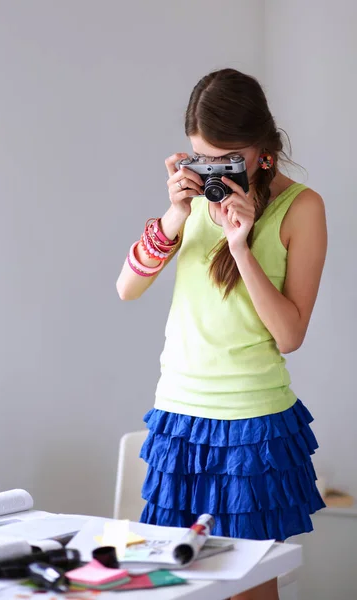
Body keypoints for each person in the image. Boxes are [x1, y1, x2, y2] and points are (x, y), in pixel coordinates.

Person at [116, 68, 327, 600]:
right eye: (201, 158)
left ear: (262, 149)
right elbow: (127, 288)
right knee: (172, 587)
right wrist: (175, 212)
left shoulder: (301, 208)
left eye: (226, 159)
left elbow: (289, 335)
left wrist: (240, 245)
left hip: (252, 427)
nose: (215, 171)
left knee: (246, 590)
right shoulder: (189, 207)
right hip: (179, 421)